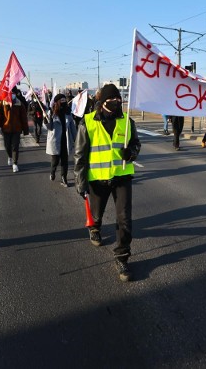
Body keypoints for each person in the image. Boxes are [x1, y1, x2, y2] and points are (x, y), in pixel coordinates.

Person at [74, 83, 141, 282]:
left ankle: (122, 257)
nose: (117, 103)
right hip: (98, 178)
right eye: (113, 100)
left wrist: (132, 153)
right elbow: (80, 154)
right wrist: (80, 180)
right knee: (96, 213)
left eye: (119, 100)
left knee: (125, 219)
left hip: (122, 176)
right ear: (103, 103)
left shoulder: (127, 122)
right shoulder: (88, 122)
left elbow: (136, 143)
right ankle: (95, 228)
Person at [0, 87, 29, 173]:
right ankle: (10, 156)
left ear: (15, 94)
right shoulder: (2, 103)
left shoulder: (20, 104)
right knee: (7, 146)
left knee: (15, 146)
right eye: (10, 92)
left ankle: (15, 163)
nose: (11, 94)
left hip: (17, 129)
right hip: (6, 129)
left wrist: (25, 130)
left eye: (13, 93)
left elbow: (24, 118)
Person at [46, 93, 77, 187]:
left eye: (64, 100)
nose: (63, 102)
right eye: (61, 101)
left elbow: (72, 127)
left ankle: (64, 178)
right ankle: (52, 172)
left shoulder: (68, 112)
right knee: (55, 160)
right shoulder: (51, 112)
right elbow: (49, 127)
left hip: (65, 139)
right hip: (55, 140)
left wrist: (76, 139)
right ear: (57, 102)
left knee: (65, 160)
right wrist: (46, 121)